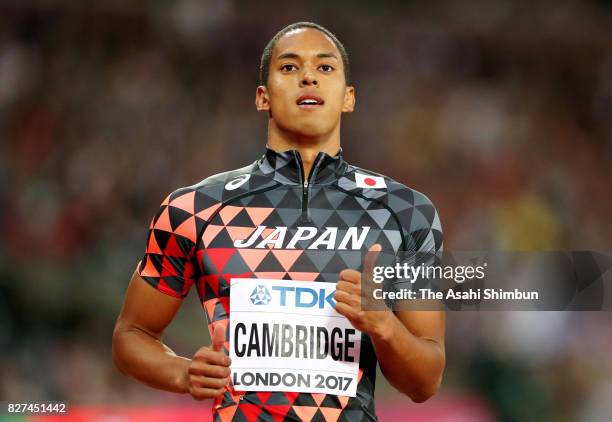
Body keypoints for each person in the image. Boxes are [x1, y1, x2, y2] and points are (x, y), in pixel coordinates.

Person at [112, 21, 445, 421]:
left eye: (325, 68)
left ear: (349, 98)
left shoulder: (405, 213)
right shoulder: (194, 209)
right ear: (262, 97)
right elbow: (131, 337)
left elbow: (425, 382)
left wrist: (383, 325)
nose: (308, 76)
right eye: (289, 67)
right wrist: (183, 373)